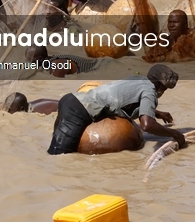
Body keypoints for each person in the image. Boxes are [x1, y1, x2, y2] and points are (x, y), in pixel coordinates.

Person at [47, 64, 186, 155]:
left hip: (70, 101)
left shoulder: (137, 80)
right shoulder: (150, 90)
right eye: (165, 88)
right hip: (78, 111)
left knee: (56, 152)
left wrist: (157, 113)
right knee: (59, 155)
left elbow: (122, 98)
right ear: (160, 86)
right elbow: (147, 124)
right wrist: (175, 134)